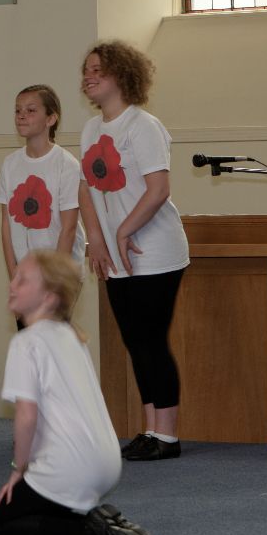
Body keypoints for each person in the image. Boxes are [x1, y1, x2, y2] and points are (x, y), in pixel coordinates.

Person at [0, 250, 152, 535]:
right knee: (40, 502)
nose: (12, 284)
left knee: (0, 520)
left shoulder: (26, 342)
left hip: (71, 469)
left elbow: (26, 416)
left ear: (49, 298)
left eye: (23, 280)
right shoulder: (72, 337)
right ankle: (93, 512)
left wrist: (18, 470)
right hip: (108, 466)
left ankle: (91, 529)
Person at [77, 41, 190, 461]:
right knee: (134, 342)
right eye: (87, 70)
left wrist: (123, 230)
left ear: (122, 75)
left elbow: (158, 190)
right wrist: (96, 237)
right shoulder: (91, 130)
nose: (89, 76)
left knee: (152, 340)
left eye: (98, 70)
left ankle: (168, 436)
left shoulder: (143, 126)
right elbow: (85, 188)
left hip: (155, 251)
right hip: (116, 255)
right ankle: (150, 429)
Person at [0, 84, 86, 328]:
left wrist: (54, 282)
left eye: (31, 110)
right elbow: (6, 224)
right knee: (28, 338)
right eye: (18, 110)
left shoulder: (66, 164)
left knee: (51, 338)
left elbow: (68, 229)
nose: (21, 116)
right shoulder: (10, 165)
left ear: (51, 119)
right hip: (27, 274)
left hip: (58, 275)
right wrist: (15, 275)